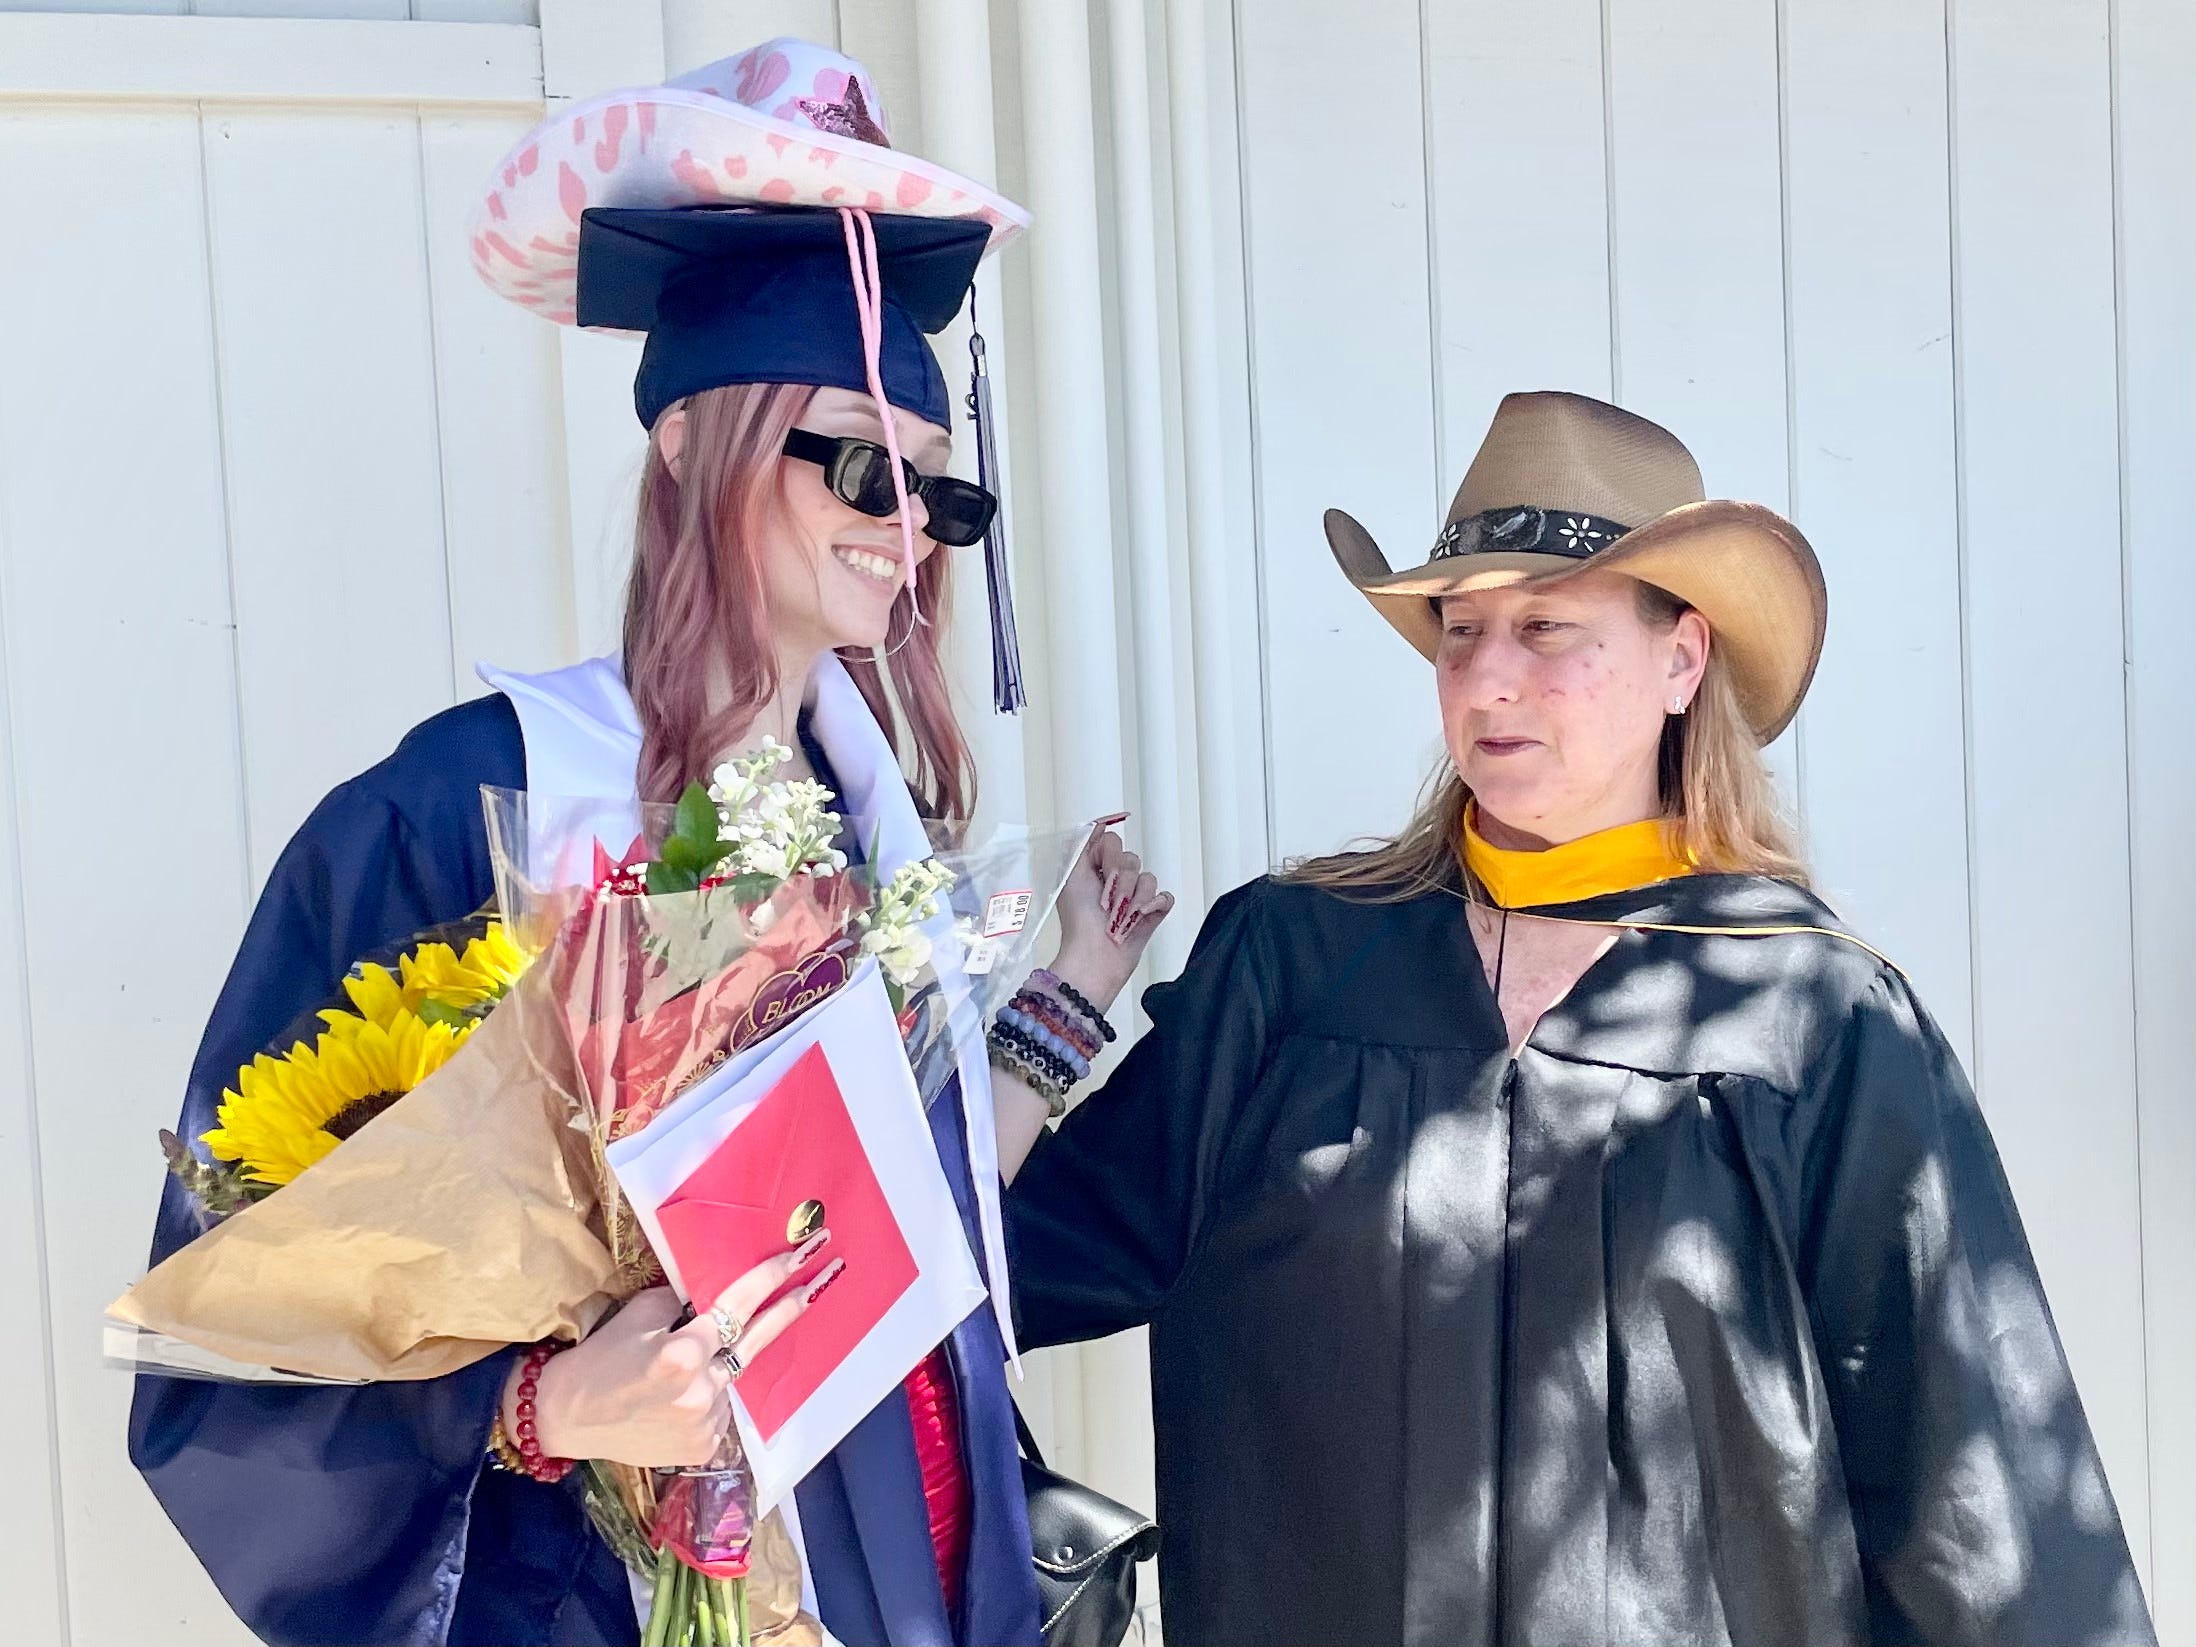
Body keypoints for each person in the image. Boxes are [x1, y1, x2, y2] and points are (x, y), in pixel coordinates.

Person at [131, 38, 1169, 1646]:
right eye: (853, 463)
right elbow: (248, 1345)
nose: (904, 526)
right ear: (692, 443)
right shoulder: (460, 817)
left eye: (941, 500)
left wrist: (1064, 997)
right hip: (620, 1593)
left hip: (924, 1548)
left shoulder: (876, 826)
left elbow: (899, 1231)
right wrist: (543, 1407)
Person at [1006, 391, 2157, 1646]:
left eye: (1546, 627)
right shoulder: (1296, 970)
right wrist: (1048, 1012)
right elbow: (992, 1270)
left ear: (1683, 658)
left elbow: (1970, 1487)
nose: (1487, 676)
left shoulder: (1806, 1018)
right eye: (1459, 631)